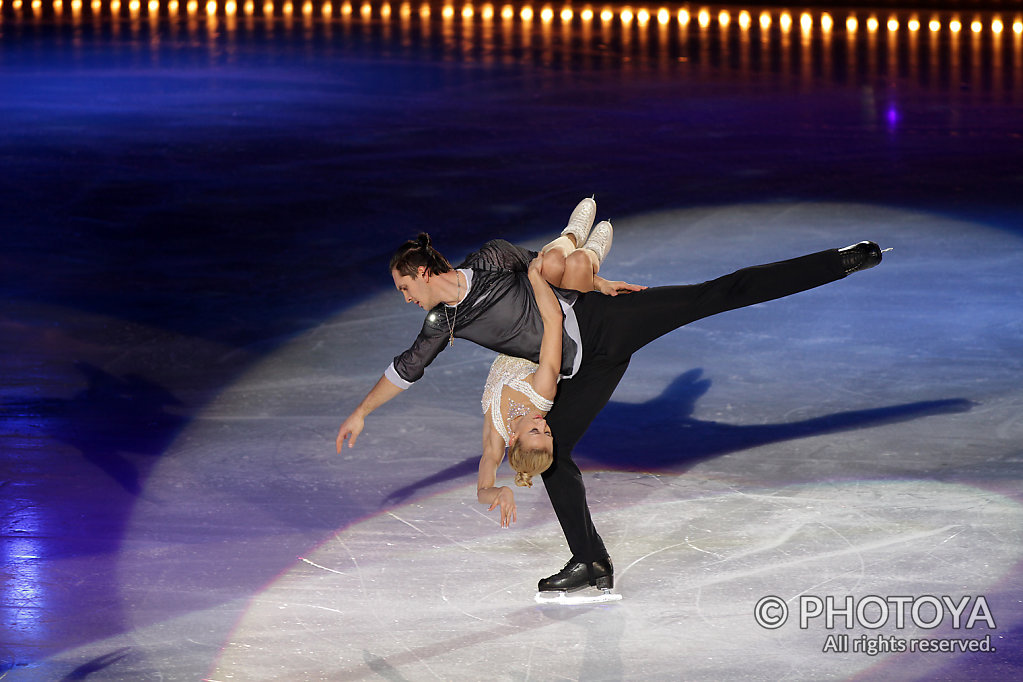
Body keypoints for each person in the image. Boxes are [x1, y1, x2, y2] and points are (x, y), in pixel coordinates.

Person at [336, 198, 885, 595]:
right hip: (577, 373)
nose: (405, 298)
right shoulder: (443, 321)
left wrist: (601, 284)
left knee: (713, 294)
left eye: (404, 288)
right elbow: (408, 367)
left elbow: (554, 275)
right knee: (551, 460)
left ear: (424, 272)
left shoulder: (495, 258)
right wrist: (362, 410)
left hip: (603, 325)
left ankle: (839, 261)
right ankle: (591, 563)